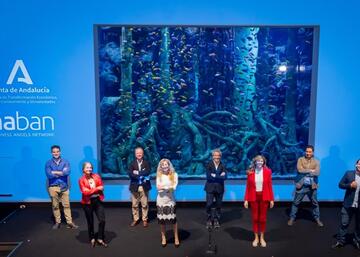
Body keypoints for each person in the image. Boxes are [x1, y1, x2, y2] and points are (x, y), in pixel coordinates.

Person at [288, 145, 324, 227]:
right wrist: (311, 170)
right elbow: (299, 170)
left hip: (312, 186)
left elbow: (317, 172)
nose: (308, 153)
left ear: (313, 152)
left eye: (310, 152)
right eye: (307, 151)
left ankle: (317, 219)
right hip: (302, 185)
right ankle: (292, 218)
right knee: (296, 202)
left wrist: (306, 171)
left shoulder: (316, 161)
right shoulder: (300, 159)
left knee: (315, 203)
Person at [45, 145, 78, 229]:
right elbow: (49, 175)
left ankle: (69, 222)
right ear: (51, 153)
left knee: (66, 205)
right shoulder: (48, 163)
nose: (56, 153)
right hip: (53, 187)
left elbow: (67, 172)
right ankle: (57, 222)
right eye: (54, 152)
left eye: (57, 151)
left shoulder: (65, 162)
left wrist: (54, 172)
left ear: (60, 152)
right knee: (55, 206)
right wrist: (61, 172)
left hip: (64, 186)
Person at [244, 155, 274, 247]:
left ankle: (262, 238)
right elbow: (248, 187)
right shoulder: (250, 173)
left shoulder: (268, 172)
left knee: (262, 218)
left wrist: (272, 199)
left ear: (264, 162)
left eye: (262, 161)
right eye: (258, 161)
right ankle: (256, 238)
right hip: (253, 197)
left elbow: (269, 186)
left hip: (264, 197)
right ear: (255, 162)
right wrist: (246, 199)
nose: (260, 162)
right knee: (255, 218)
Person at [332, 159, 360, 249]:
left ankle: (357, 241)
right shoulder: (349, 173)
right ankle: (340, 241)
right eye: (359, 164)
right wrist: (349, 185)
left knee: (359, 225)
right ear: (356, 165)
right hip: (348, 204)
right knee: (344, 224)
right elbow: (340, 185)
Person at [79, 162, 107, 247]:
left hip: (97, 200)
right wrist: (97, 188)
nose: (89, 169)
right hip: (87, 203)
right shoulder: (81, 180)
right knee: (90, 222)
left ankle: (100, 238)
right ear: (83, 169)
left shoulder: (97, 176)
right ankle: (92, 238)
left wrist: (97, 188)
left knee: (102, 220)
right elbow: (85, 192)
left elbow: (101, 186)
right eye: (87, 167)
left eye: (90, 167)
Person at [156, 158, 180, 247]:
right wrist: (168, 186)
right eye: (163, 165)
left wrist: (164, 187)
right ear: (161, 167)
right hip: (161, 200)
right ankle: (163, 237)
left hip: (170, 200)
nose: (165, 166)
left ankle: (176, 237)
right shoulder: (159, 176)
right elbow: (158, 189)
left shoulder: (175, 175)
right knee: (162, 221)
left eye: (166, 164)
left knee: (173, 220)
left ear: (169, 165)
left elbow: (174, 188)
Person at [128, 147, 151, 227]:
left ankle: (145, 219)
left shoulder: (147, 163)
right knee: (134, 204)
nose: (139, 154)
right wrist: (141, 173)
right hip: (134, 186)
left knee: (144, 204)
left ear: (143, 153)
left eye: (140, 153)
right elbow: (130, 174)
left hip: (144, 186)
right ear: (135, 154)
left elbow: (147, 172)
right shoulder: (131, 163)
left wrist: (137, 172)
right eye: (137, 153)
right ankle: (136, 219)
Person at [204, 149, 227, 228]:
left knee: (219, 205)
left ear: (220, 156)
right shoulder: (208, 164)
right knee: (209, 204)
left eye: (218, 156)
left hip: (220, 188)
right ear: (212, 156)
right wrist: (220, 176)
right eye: (215, 156)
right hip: (210, 188)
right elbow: (209, 177)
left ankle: (217, 219)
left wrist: (215, 175)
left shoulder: (223, 165)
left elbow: (225, 177)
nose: (217, 158)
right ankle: (209, 219)